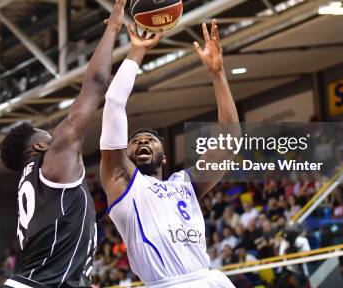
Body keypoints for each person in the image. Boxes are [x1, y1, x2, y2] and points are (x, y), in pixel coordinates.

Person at [0, 0, 128, 288]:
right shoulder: (53, 163)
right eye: (48, 134)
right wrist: (112, 29)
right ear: (41, 146)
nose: (55, 133)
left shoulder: (35, 182)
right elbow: (95, 86)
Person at [99, 20, 239, 287]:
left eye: (150, 140)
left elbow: (230, 137)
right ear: (124, 157)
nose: (142, 142)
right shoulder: (124, 183)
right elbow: (114, 104)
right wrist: (137, 51)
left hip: (208, 280)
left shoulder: (185, 183)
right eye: (135, 141)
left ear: (164, 157)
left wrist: (218, 74)